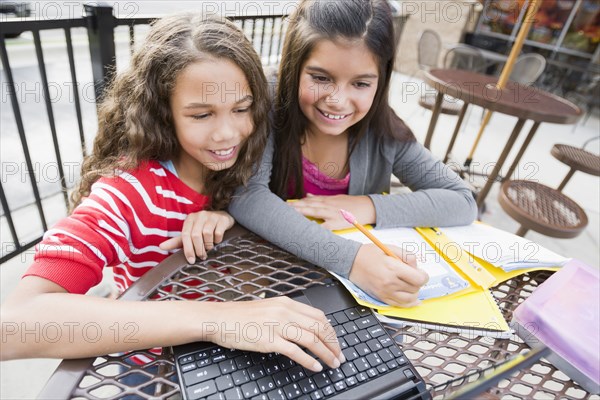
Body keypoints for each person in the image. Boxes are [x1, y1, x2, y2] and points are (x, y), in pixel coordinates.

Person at [0, 14, 343, 372]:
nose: (227, 134)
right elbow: (15, 323)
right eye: (201, 115)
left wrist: (229, 213)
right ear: (162, 114)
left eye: (241, 109)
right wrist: (218, 319)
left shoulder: (249, 160)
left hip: (237, 356)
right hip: (153, 371)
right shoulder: (130, 192)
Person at [226, 0, 478, 307]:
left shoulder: (383, 129)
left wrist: (368, 206)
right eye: (320, 78)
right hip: (281, 289)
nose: (338, 100)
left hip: (362, 299)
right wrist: (352, 260)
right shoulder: (267, 101)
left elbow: (462, 201)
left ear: (381, 81)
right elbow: (247, 197)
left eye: (360, 83)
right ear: (293, 67)